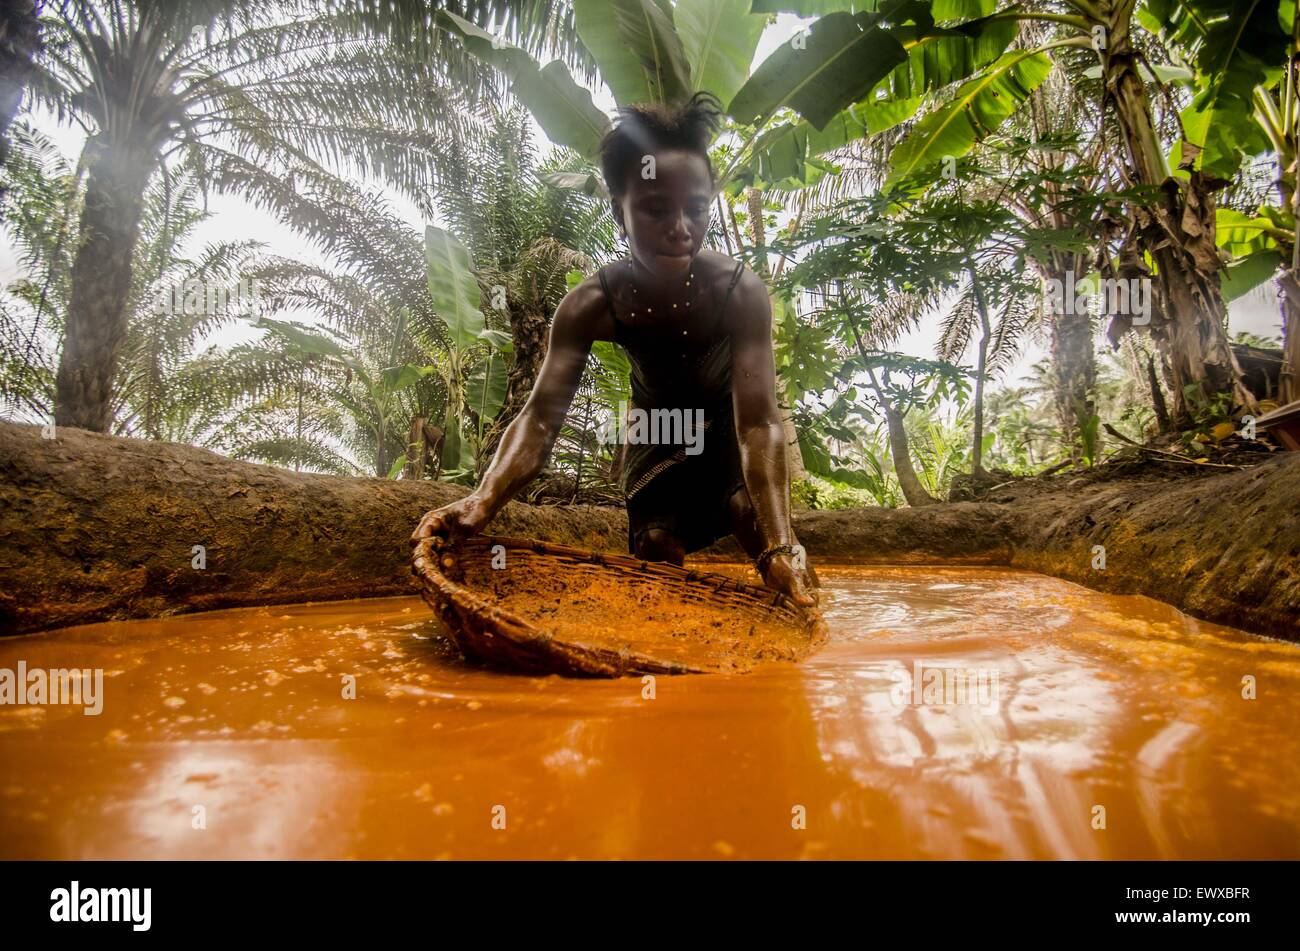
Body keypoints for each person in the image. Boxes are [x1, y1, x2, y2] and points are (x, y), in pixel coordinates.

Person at [411, 91, 817, 607]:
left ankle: (797, 608)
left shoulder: (739, 290)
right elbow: (539, 422)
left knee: (757, 529)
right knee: (654, 549)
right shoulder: (591, 305)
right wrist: (481, 502)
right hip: (656, 428)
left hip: (725, 425)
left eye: (696, 210)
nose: (680, 229)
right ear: (620, 213)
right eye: (654, 209)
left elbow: (759, 425)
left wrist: (783, 543)